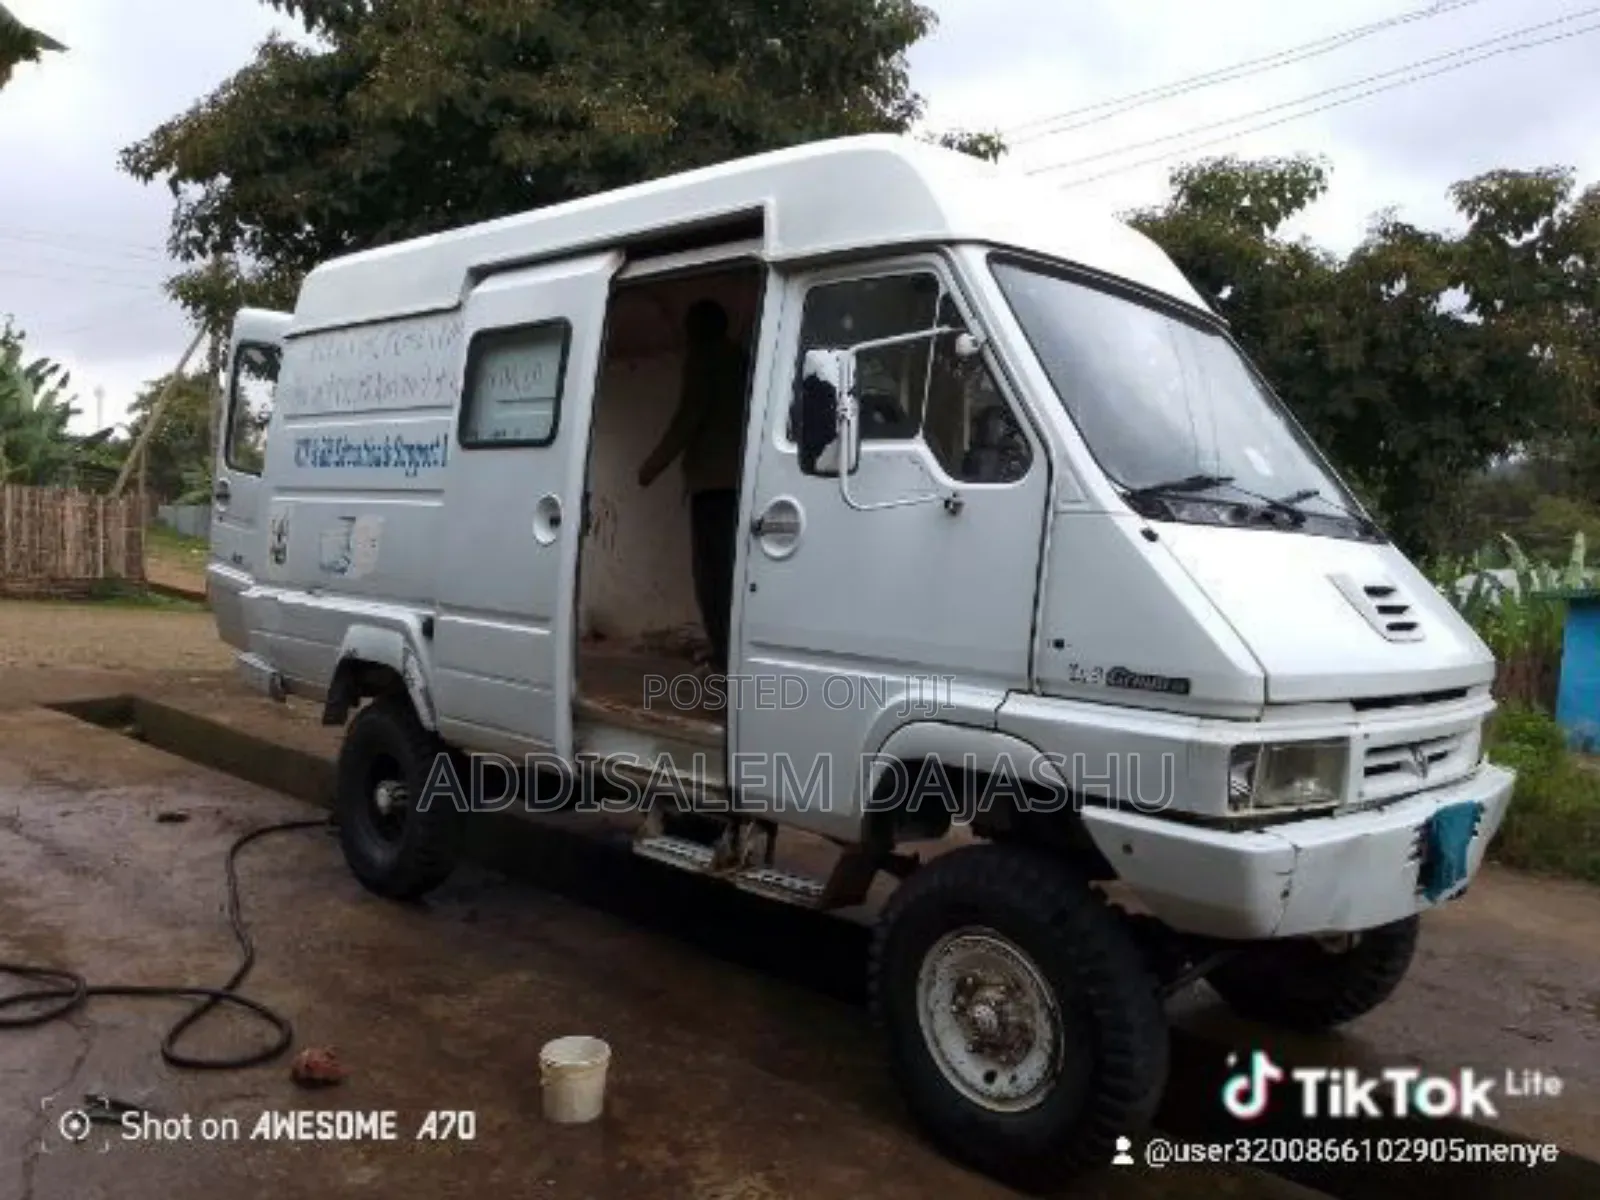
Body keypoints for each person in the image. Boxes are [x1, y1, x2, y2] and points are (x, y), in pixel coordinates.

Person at [637, 299, 749, 675]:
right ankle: (732, 652)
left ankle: (722, 658)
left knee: (712, 577)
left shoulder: (706, 358)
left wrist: (651, 466)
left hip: (713, 485)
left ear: (699, 329)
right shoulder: (742, 358)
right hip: (740, 483)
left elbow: (689, 416)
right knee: (734, 575)